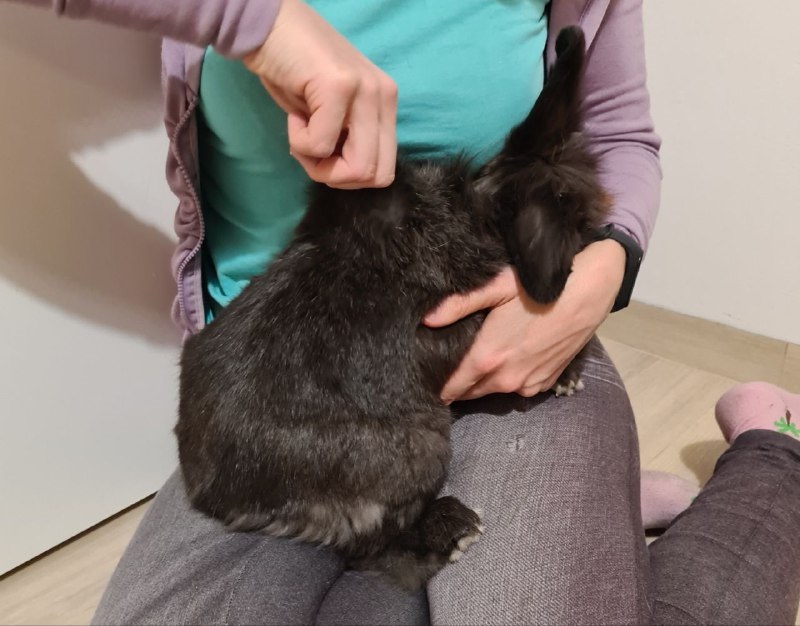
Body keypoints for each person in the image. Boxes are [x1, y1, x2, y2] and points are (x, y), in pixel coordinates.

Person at [13, 0, 800, 623]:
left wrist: (603, 268)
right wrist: (259, 20)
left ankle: (770, 457)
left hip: (509, 352)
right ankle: (594, 528)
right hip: (282, 395)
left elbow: (621, 133)